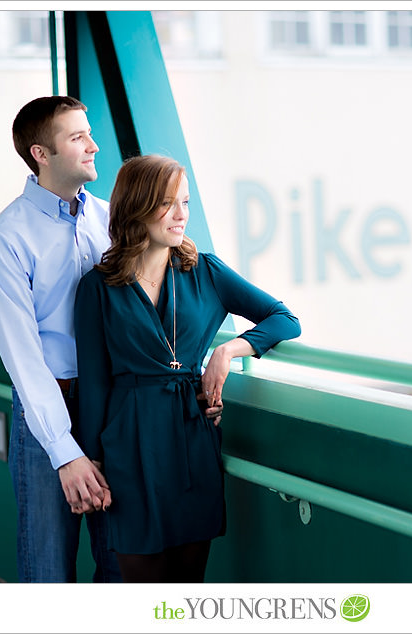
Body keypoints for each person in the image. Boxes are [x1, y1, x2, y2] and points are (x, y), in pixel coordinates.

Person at [0, 97, 225, 581]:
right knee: (49, 565)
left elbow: (160, 300)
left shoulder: (112, 220)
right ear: (40, 154)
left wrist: (214, 358)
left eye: (89, 133)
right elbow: (24, 360)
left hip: (118, 410)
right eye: (77, 138)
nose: (94, 145)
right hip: (51, 409)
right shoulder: (6, 239)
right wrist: (66, 453)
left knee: (120, 565)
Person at [73, 154, 301, 582]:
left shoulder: (205, 271)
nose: (181, 216)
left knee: (187, 584)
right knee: (143, 580)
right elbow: (95, 384)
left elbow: (284, 319)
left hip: (192, 435)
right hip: (129, 445)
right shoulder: (97, 288)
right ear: (136, 208)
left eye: (186, 202)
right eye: (167, 203)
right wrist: (93, 460)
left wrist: (227, 352)